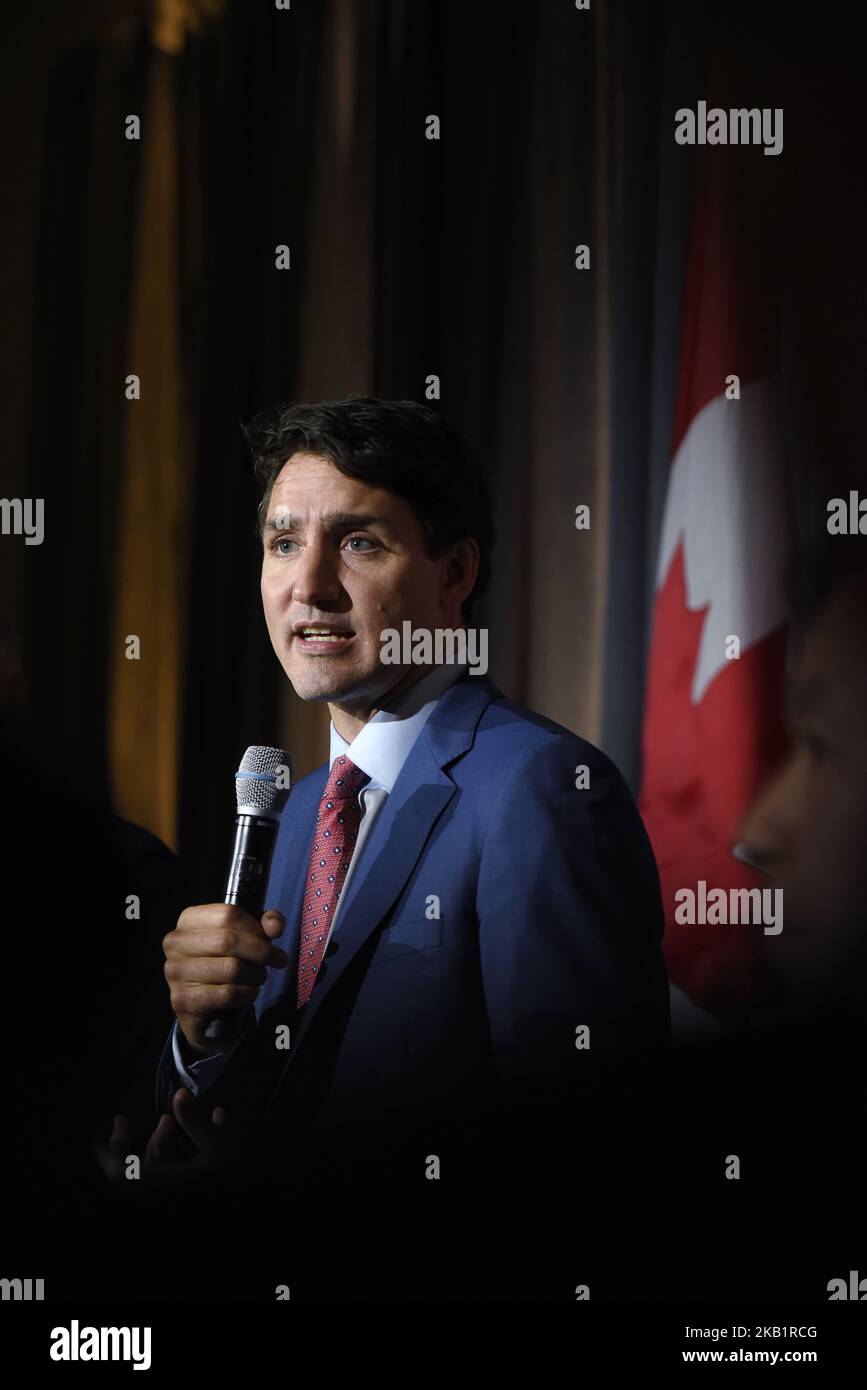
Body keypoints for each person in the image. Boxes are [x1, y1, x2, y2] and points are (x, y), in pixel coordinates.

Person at [106, 395, 670, 1297]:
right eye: (284, 543)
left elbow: (588, 1162)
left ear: (455, 573)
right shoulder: (290, 817)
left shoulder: (539, 790)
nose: (310, 584)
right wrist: (198, 1036)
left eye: (359, 542)